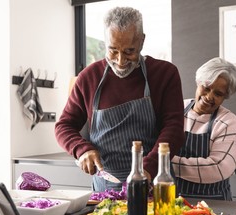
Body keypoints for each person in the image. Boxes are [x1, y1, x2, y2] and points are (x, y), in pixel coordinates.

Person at [55, 7, 184, 192]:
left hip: (154, 181)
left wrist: (148, 167)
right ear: (105, 42)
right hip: (106, 185)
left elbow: (174, 129)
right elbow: (63, 126)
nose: (121, 61)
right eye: (113, 50)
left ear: (142, 41)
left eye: (129, 51)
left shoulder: (165, 74)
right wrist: (81, 149)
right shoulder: (88, 77)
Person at [171, 57, 236, 201]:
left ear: (225, 96)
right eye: (206, 88)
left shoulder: (228, 121)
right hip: (173, 201)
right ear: (198, 83)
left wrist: (165, 165)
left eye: (218, 94)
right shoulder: (175, 108)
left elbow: (219, 167)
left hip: (213, 204)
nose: (209, 97)